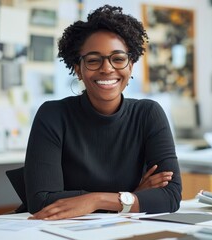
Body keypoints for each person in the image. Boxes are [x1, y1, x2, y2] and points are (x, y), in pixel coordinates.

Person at [25, 4, 182, 220]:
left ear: (131, 65)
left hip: (127, 231)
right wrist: (132, 196)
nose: (107, 68)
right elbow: (41, 200)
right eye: (93, 60)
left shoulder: (149, 114)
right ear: (78, 69)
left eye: (118, 59)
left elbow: (171, 197)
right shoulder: (53, 115)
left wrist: (95, 200)